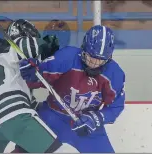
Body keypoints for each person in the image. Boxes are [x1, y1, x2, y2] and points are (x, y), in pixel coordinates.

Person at [0, 20, 79, 153]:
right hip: (12, 114)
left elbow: (23, 99)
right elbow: (30, 46)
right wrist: (51, 43)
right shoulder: (16, 48)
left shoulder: (0, 60)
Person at [19, 25, 126, 153]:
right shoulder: (67, 57)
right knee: (24, 150)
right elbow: (39, 78)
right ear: (83, 50)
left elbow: (116, 106)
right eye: (90, 58)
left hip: (86, 125)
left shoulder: (115, 74)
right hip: (53, 116)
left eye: (100, 61)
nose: (94, 64)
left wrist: (96, 118)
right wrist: (32, 74)